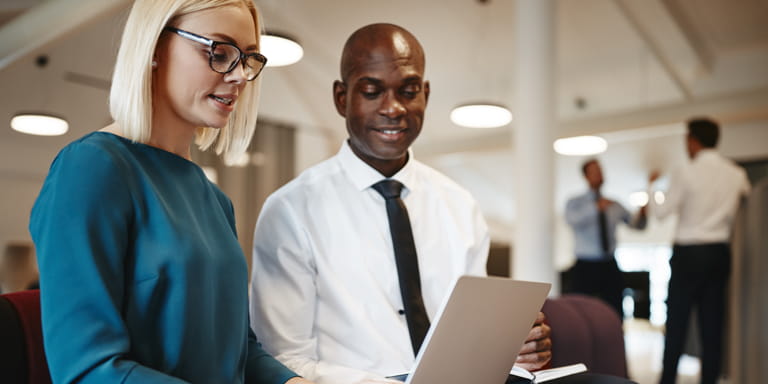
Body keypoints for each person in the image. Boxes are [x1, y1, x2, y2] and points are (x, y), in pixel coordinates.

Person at [250, 23, 633, 384]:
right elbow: (284, 361)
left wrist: (515, 349)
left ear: (426, 95)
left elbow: (476, 340)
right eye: (371, 90)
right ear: (341, 97)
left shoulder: (459, 205)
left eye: (408, 90)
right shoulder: (291, 211)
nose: (393, 108)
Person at [28, 1, 314, 383]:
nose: (240, 76)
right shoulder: (92, 168)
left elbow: (240, 352)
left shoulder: (215, 201)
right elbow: (87, 369)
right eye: (220, 52)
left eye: (247, 59)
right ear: (155, 49)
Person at [648, 118, 750, 384]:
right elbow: (749, 201)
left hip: (688, 256)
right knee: (712, 329)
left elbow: (660, 213)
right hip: (718, 255)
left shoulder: (685, 170)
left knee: (677, 327)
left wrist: (651, 187)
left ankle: (667, 381)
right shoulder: (736, 174)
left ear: (693, 140)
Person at [564, 159, 647, 317]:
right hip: (585, 265)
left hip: (609, 263)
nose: (599, 174)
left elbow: (636, 225)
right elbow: (571, 220)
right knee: (580, 312)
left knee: (615, 310)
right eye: (594, 171)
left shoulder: (613, 204)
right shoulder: (575, 203)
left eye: (600, 170)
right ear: (586, 176)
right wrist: (595, 208)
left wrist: (642, 215)